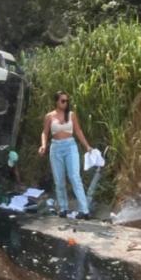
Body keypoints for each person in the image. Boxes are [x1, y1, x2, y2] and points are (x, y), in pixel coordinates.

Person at [38, 91, 92, 219]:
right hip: (56, 147)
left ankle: (84, 210)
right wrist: (44, 145)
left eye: (67, 101)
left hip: (70, 146)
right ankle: (63, 208)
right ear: (56, 101)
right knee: (59, 180)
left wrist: (87, 146)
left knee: (74, 177)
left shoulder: (71, 115)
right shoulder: (49, 116)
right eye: (63, 101)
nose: (65, 103)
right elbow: (45, 133)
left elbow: (78, 131)